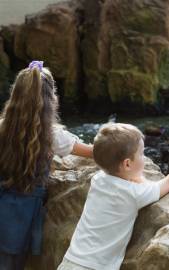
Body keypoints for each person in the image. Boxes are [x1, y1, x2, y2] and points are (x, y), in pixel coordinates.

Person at [58, 123, 169, 270]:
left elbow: (128, 178)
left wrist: (134, 176)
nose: (144, 157)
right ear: (127, 164)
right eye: (142, 154)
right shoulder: (135, 194)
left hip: (71, 260)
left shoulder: (99, 180)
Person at [0, 61, 93, 270]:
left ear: (14, 96)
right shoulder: (52, 136)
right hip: (22, 215)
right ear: (51, 100)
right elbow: (94, 152)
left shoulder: (2, 127)